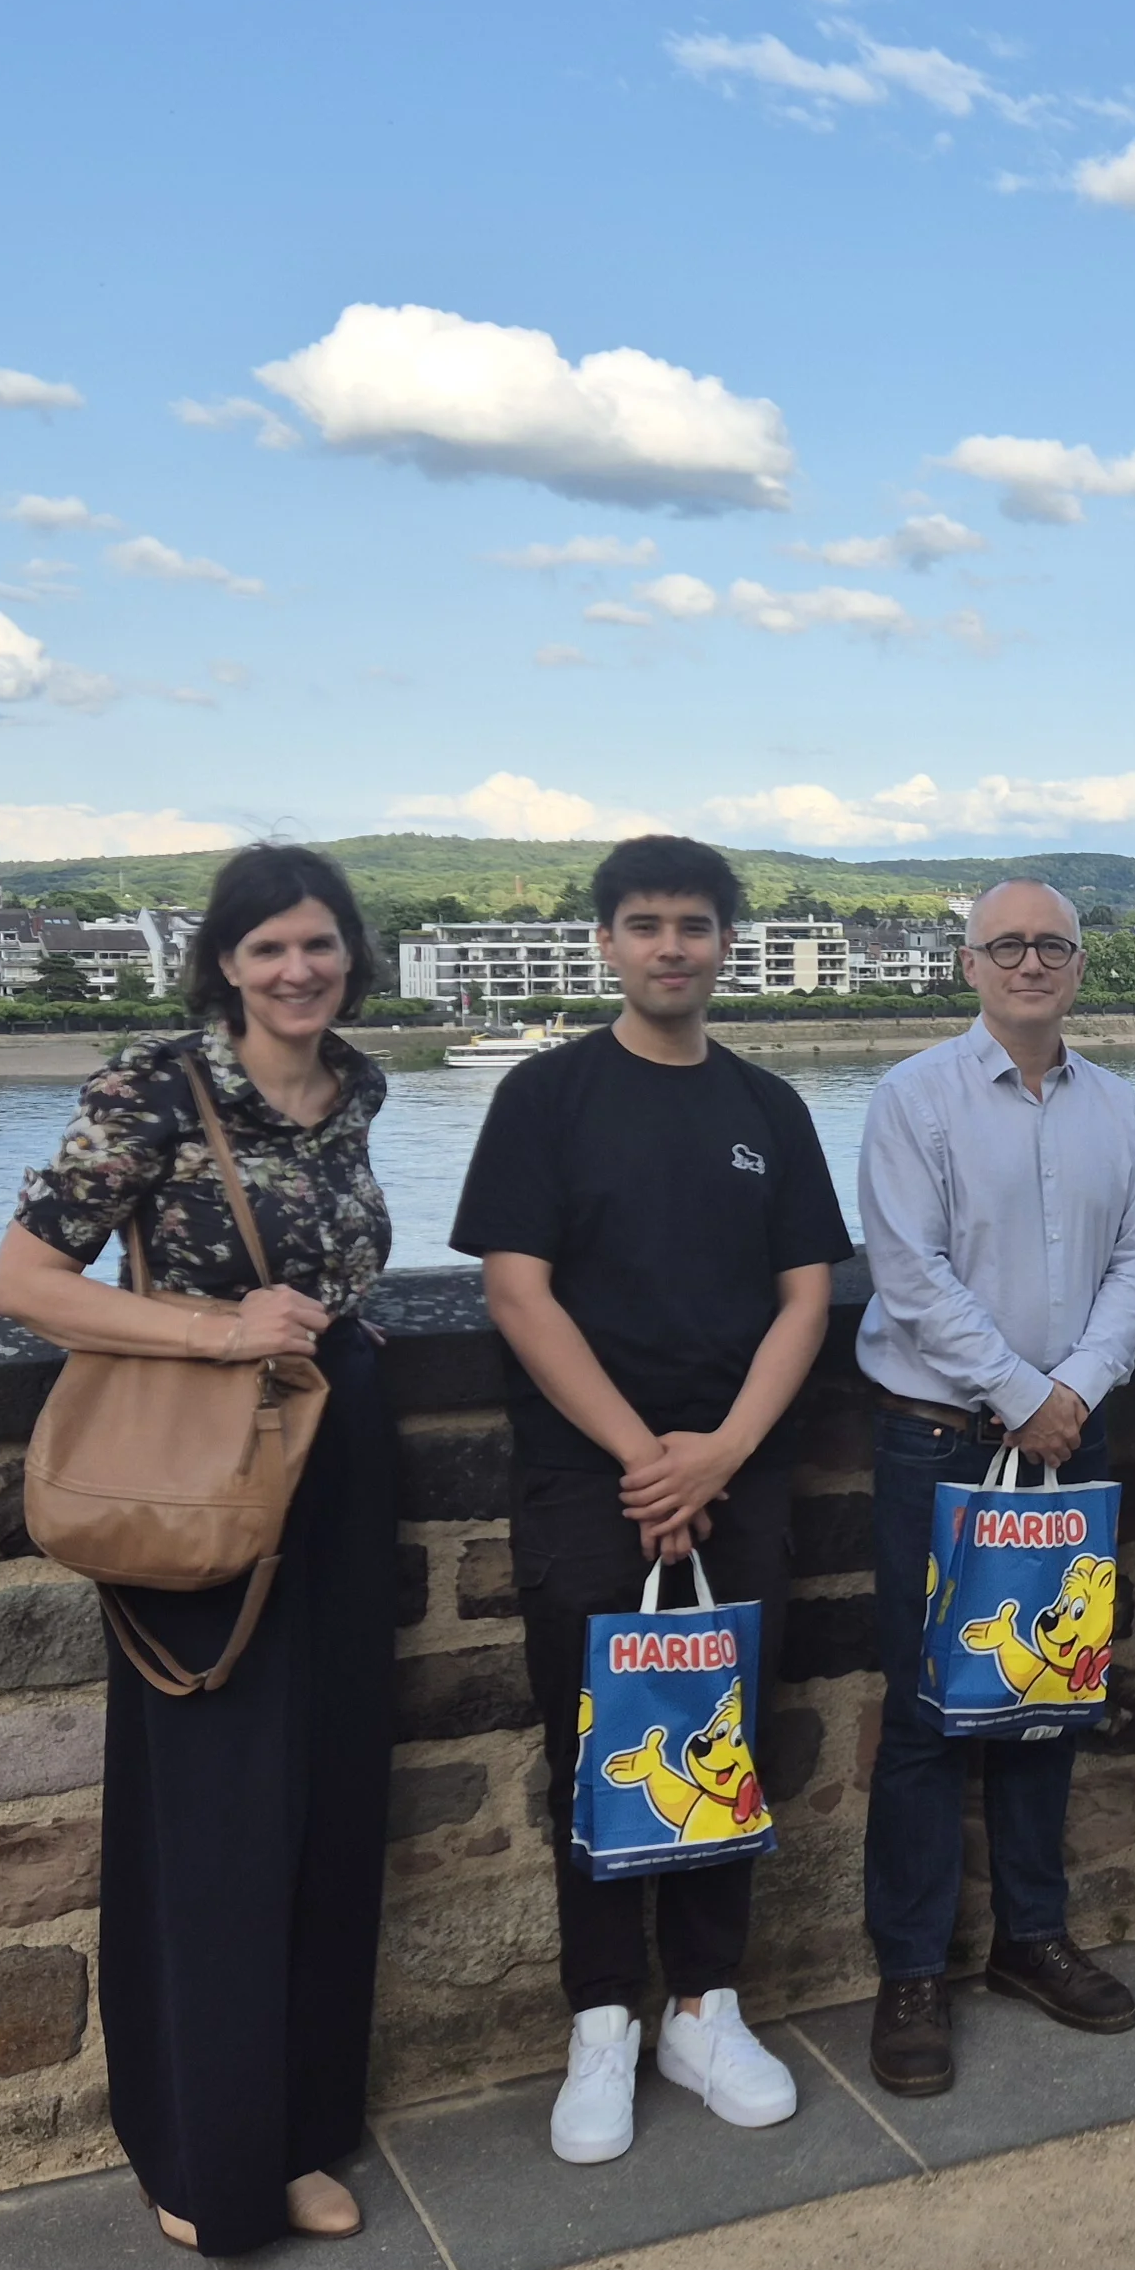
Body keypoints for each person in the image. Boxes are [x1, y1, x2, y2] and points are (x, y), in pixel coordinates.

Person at [0, 844, 399, 2256]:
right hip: (197, 1473)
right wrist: (221, 1329)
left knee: (328, 1807)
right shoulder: (153, 1087)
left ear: (353, 957)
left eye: (321, 946)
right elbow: (25, 1281)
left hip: (334, 1455)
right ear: (225, 959)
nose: (299, 970)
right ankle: (204, 2153)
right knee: (218, 1816)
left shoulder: (358, 1085)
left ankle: (298, 2132)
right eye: (270, 948)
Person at [455, 836, 847, 2165]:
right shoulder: (546, 1099)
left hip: (738, 1475)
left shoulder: (767, 1109)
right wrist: (647, 1457)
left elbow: (807, 1298)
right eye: (644, 924)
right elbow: (518, 1293)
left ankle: (706, 2003)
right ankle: (602, 2019)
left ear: (724, 942)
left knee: (719, 1744)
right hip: (589, 1480)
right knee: (597, 1749)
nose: (670, 944)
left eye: (693, 923)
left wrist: (722, 1453)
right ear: (607, 943)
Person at [851, 880, 1135, 2095]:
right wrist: (1020, 1393)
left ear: (1078, 966)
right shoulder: (912, 1099)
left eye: (1052, 946)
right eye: (1008, 946)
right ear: (970, 964)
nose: (1031, 963)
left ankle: (1032, 1940)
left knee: (1048, 1695)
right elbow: (910, 1271)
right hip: (940, 1440)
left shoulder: (1119, 1113)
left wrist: (1074, 1388)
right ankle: (911, 1971)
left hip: (1069, 1436)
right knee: (930, 1714)